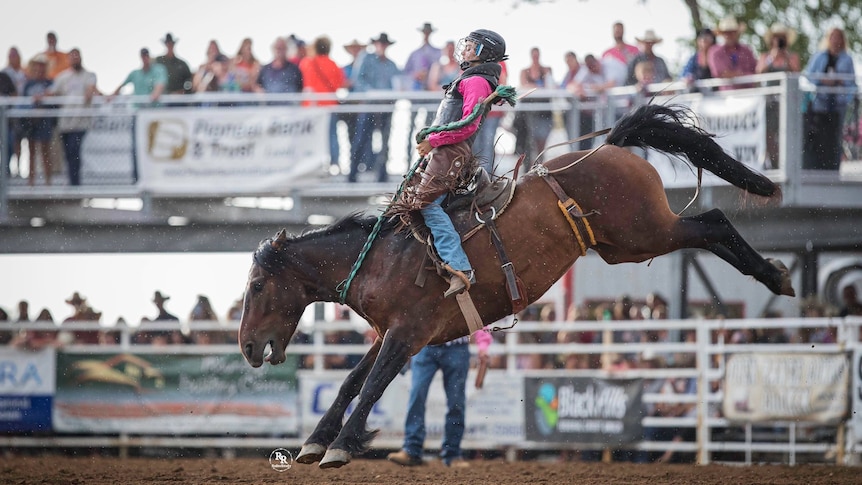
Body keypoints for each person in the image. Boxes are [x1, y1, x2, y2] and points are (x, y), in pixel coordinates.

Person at [396, 29, 509, 297]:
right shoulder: (474, 78)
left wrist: (433, 141)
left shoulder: (476, 81)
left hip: (449, 153)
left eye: (471, 46)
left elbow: (468, 125)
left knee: (425, 203)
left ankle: (459, 267)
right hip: (445, 152)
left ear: (483, 53)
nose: (465, 49)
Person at [387, 329, 492, 467]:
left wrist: (483, 344)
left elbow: (478, 318)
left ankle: (449, 452)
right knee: (418, 395)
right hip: (429, 344)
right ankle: (414, 450)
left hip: (448, 346)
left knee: (455, 402)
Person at [803, 27, 857, 170]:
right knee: (819, 135)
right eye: (833, 36)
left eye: (838, 37)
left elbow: (852, 82)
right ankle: (819, 167)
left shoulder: (847, 59)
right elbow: (809, 75)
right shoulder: (819, 56)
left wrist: (840, 82)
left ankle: (833, 168)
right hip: (820, 104)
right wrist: (822, 80)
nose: (835, 40)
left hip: (838, 105)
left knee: (836, 136)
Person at [350, 32, 400, 183]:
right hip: (369, 106)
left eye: (384, 43)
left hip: (385, 108)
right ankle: (353, 173)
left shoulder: (391, 65)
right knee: (361, 140)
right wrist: (372, 93)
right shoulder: (366, 58)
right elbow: (358, 80)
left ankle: (382, 174)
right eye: (380, 43)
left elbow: (397, 84)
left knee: (384, 142)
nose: (382, 46)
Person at [44, 47, 97, 186]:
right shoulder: (62, 77)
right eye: (72, 57)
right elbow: (52, 92)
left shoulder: (89, 75)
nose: (75, 59)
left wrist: (90, 93)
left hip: (81, 121)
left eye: (77, 56)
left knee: (74, 149)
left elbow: (91, 89)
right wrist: (39, 96)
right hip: (65, 122)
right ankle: (71, 181)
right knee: (68, 153)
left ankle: (75, 183)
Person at [756, 23, 800, 170]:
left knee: (786, 133)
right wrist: (772, 58)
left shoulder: (792, 57)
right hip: (769, 102)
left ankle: (786, 165)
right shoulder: (765, 56)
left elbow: (796, 72)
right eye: (776, 37)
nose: (779, 40)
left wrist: (785, 58)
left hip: (786, 103)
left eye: (782, 37)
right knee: (769, 134)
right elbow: (759, 72)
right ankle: (774, 165)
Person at [299, 35, 344, 168]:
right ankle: (334, 164)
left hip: (311, 107)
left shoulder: (307, 63)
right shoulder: (333, 64)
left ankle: (313, 165)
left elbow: (302, 81)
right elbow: (339, 84)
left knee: (313, 138)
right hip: (329, 106)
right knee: (332, 136)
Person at [404, 23, 442, 156]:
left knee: (430, 127)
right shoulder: (414, 54)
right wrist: (415, 75)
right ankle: (408, 157)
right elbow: (405, 74)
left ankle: (427, 156)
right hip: (416, 94)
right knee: (411, 127)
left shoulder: (437, 53)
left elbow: (441, 71)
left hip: (431, 95)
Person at [21, 54, 55, 185]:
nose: (39, 69)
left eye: (42, 66)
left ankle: (48, 182)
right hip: (30, 122)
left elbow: (54, 100)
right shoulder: (28, 84)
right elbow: (23, 102)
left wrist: (43, 100)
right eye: (37, 66)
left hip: (45, 121)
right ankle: (31, 182)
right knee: (31, 151)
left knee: (46, 151)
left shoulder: (50, 83)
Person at [517, 46, 553, 164]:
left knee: (541, 140)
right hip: (528, 111)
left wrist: (534, 87)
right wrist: (537, 87)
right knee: (529, 140)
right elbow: (523, 86)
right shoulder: (525, 71)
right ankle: (529, 164)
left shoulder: (546, 70)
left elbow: (550, 86)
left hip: (544, 111)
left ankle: (539, 162)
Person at [708, 16, 757, 84]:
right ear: (722, 34)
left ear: (736, 33)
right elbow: (720, 72)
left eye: (732, 32)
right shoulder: (715, 52)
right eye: (726, 32)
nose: (729, 35)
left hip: (750, 89)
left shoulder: (746, 50)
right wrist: (743, 75)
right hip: (727, 90)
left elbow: (755, 70)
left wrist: (735, 74)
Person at [601, 21, 640, 88]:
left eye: (619, 30)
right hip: (614, 88)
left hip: (632, 86)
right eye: (616, 30)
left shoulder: (634, 50)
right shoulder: (607, 53)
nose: (618, 32)